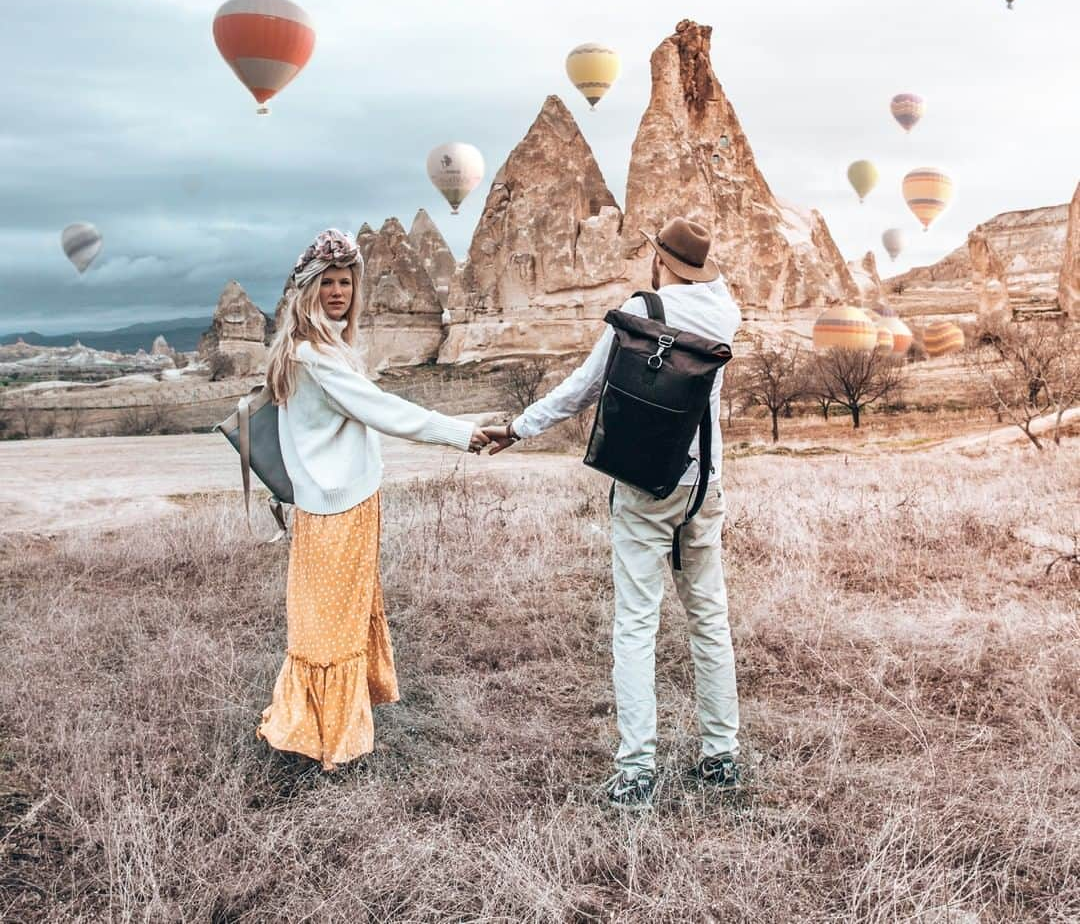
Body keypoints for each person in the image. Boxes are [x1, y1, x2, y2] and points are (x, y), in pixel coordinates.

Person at [483, 217, 742, 810]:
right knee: (709, 618)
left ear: (659, 260)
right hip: (704, 485)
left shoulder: (643, 307)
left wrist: (518, 428)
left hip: (646, 487)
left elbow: (585, 386)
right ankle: (721, 757)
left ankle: (637, 769)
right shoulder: (724, 312)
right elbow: (716, 289)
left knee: (635, 624)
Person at [259, 228, 488, 771]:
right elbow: (385, 410)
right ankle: (331, 742)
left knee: (331, 615)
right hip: (338, 504)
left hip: (329, 503)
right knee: (331, 624)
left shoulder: (308, 348)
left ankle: (326, 727)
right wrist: (463, 433)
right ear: (306, 289)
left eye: (345, 282)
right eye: (327, 283)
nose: (338, 292)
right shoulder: (317, 355)